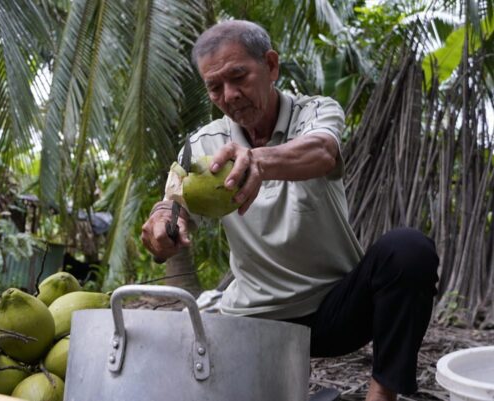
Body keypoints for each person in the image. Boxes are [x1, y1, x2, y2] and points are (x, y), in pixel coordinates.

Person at [141, 20, 439, 401]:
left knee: (408, 250)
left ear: (271, 65)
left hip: (335, 311)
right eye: (215, 87)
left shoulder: (314, 112)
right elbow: (173, 203)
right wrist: (163, 225)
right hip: (252, 318)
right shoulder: (202, 144)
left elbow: (322, 151)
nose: (229, 95)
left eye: (238, 77)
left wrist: (259, 162)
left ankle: (381, 396)